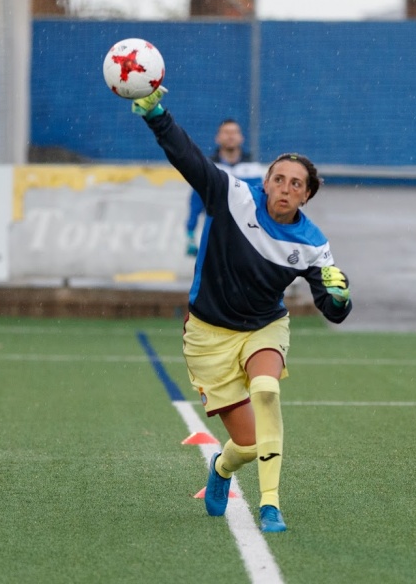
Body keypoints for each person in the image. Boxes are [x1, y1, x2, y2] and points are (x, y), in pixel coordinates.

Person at [131, 87, 352, 533]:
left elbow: (332, 311)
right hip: (208, 335)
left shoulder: (313, 245)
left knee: (267, 389)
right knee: (248, 445)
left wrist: (340, 296)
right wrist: (156, 114)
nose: (285, 188)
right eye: (279, 178)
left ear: (307, 196)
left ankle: (271, 506)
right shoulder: (232, 196)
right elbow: (188, 158)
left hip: (263, 327)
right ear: (265, 181)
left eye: (296, 184)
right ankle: (222, 468)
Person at [185, 119, 264, 256]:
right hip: (215, 234)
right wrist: (191, 233)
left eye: (234, 132)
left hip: (247, 235)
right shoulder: (208, 167)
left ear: (241, 138)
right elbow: (196, 201)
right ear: (217, 138)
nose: (230, 136)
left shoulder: (253, 167)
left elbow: (261, 202)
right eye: (226, 132)